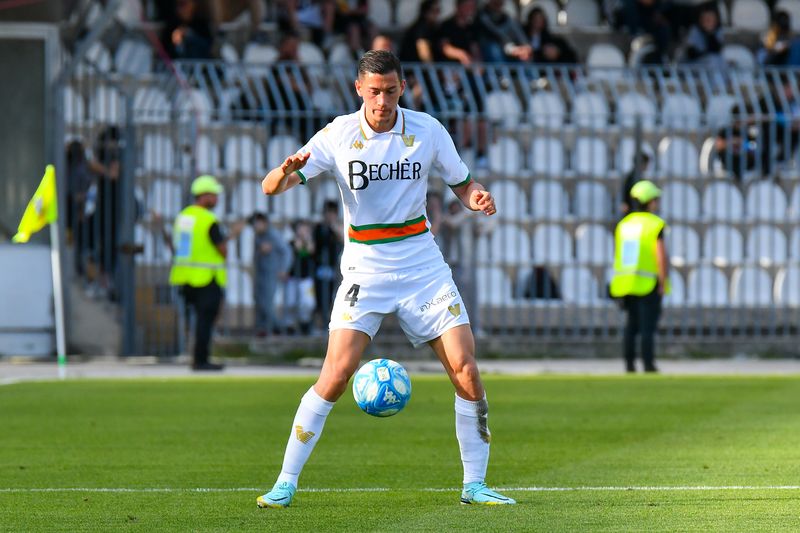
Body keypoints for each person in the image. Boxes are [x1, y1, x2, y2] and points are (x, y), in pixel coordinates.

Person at [256, 50, 514, 508]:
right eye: (374, 92)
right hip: (365, 270)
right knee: (335, 374)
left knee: (466, 370)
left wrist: (476, 198)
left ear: (402, 88)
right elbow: (270, 188)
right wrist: (285, 171)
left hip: (422, 267)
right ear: (359, 89)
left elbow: (462, 183)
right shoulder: (337, 134)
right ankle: (285, 482)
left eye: (391, 91)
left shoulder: (427, 130)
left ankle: (474, 486)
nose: (382, 101)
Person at [169, 175, 241, 370]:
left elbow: (180, 246)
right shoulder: (209, 219)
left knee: (195, 321)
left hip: (184, 277)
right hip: (206, 278)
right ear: (204, 196)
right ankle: (201, 361)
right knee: (205, 321)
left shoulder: (183, 216)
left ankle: (196, 357)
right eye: (214, 195)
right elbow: (222, 250)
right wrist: (230, 237)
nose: (216, 199)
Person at [610, 180, 670, 373]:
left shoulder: (623, 224)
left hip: (625, 282)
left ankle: (629, 364)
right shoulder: (654, 224)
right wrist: (663, 280)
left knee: (630, 326)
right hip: (647, 281)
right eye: (655, 199)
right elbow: (659, 254)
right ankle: (648, 364)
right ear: (649, 201)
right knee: (647, 328)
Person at [250, 212, 291, 337]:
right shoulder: (259, 236)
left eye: (258, 223)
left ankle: (276, 327)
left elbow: (286, 252)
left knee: (267, 302)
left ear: (264, 223)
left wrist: (284, 269)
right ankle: (262, 328)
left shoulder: (273, 235)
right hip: (260, 272)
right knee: (259, 300)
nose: (255, 226)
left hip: (271, 273)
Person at [312, 200, 343, 328]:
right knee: (319, 298)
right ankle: (319, 324)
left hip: (334, 268)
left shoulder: (338, 228)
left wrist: (334, 227)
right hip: (319, 267)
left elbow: (343, 239)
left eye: (332, 213)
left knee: (332, 298)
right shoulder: (318, 228)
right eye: (328, 212)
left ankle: (328, 324)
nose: (330, 216)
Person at [285, 219, 316, 335]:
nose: (303, 231)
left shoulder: (311, 243)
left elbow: (310, 251)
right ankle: (290, 325)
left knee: (308, 303)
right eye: (301, 228)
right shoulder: (291, 243)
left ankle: (305, 322)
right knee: (290, 303)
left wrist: (306, 241)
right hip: (292, 279)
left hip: (306, 278)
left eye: (305, 229)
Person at [620, 146, 653, 216]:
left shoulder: (632, 177)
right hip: (634, 213)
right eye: (646, 164)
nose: (647, 166)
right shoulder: (633, 179)